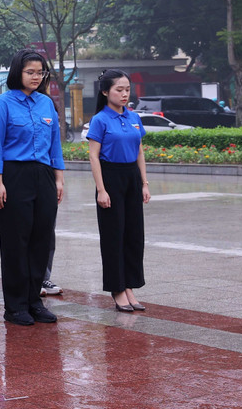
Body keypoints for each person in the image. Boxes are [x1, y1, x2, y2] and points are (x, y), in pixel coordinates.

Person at [0, 49, 64, 327]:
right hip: (12, 175)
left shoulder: (46, 104)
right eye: (30, 71)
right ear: (17, 72)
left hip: (43, 174)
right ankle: (15, 305)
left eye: (40, 72)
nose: (36, 76)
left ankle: (35, 300)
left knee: (41, 239)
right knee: (16, 242)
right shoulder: (2, 104)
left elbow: (55, 142)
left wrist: (58, 178)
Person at [87, 69, 151, 312]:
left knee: (134, 235)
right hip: (110, 177)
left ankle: (130, 286)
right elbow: (93, 157)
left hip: (132, 178)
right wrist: (101, 190)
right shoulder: (100, 120)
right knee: (114, 236)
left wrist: (144, 183)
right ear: (105, 92)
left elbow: (140, 151)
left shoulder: (134, 117)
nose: (125, 94)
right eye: (119, 90)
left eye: (127, 89)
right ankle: (117, 288)